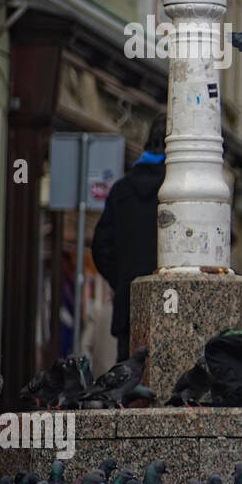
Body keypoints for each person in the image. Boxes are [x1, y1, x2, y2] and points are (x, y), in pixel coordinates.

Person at [93, 115, 166, 362]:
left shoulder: (122, 190)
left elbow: (101, 247)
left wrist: (124, 280)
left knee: (129, 382)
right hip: (173, 307)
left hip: (129, 308)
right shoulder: (181, 191)